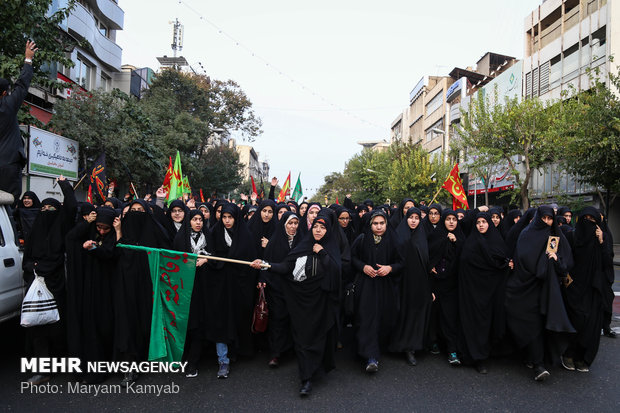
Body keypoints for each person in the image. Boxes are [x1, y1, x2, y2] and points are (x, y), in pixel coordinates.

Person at [252, 211, 341, 396]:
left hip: (321, 302)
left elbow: (335, 271)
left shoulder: (330, 248)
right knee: (302, 339)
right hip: (300, 300)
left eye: (322, 227)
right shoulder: (303, 245)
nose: (318, 230)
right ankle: (306, 378)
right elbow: (286, 266)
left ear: (328, 230)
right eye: (315, 226)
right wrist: (266, 265)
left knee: (318, 337)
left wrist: (322, 252)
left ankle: (315, 369)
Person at [505, 206, 575, 382]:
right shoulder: (526, 235)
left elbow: (566, 263)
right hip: (526, 287)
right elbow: (521, 260)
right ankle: (537, 363)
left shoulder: (555, 237)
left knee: (545, 323)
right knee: (531, 323)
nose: (546, 222)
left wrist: (555, 260)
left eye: (550, 219)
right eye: (543, 218)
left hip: (547, 288)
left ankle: (539, 361)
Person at [22, 176, 76, 384]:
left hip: (56, 286)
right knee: (37, 328)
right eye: (43, 209)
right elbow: (27, 258)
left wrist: (64, 184)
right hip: (35, 287)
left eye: (51, 210)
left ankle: (61, 364)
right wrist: (33, 269)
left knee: (57, 327)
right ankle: (42, 369)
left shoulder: (61, 227)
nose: (46, 213)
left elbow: (70, 206)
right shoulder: (36, 231)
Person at [113, 199, 169, 386]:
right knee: (128, 324)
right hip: (126, 288)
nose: (136, 213)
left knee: (146, 322)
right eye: (133, 210)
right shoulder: (123, 234)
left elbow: (167, 251)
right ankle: (129, 368)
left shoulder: (154, 232)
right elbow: (113, 254)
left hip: (149, 288)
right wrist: (119, 231)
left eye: (141, 210)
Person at [65, 206, 119, 384]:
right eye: (99, 227)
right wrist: (86, 223)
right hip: (89, 290)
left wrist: (96, 247)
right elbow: (70, 238)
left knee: (104, 328)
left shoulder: (114, 236)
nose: (102, 231)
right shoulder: (90, 231)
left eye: (106, 228)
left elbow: (110, 253)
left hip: (108, 292)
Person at [206, 203, 258, 378]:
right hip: (219, 287)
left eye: (230, 217)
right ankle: (223, 359)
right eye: (224, 217)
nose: (227, 221)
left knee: (236, 317)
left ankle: (236, 349)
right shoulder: (214, 233)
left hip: (239, 286)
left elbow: (250, 261)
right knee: (221, 320)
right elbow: (211, 256)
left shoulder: (245, 235)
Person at [458, 212, 512, 374]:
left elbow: (501, 262)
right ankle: (476, 357)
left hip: (492, 293)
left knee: (490, 322)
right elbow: (464, 266)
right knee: (474, 324)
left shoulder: (496, 241)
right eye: (478, 222)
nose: (481, 225)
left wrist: (506, 265)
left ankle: (488, 353)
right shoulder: (471, 243)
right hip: (472, 292)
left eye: (484, 222)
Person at [351, 210, 403, 373]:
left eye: (382, 223)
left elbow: (402, 262)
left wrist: (390, 268)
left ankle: (378, 348)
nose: (379, 227)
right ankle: (370, 356)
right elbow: (353, 258)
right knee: (367, 318)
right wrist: (364, 267)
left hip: (386, 287)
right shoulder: (362, 239)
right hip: (366, 286)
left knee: (384, 318)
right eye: (375, 223)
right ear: (370, 224)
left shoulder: (394, 240)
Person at [563, 207, 610, 371]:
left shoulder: (601, 239)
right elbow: (565, 259)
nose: (588, 222)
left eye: (592, 219)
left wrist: (602, 242)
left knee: (591, 323)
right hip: (575, 288)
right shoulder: (572, 236)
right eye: (586, 218)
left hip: (593, 288)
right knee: (576, 320)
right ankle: (568, 354)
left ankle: (582, 356)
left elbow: (607, 264)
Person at [256, 211, 301, 367]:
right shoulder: (275, 241)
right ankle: (275, 353)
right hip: (277, 287)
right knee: (277, 320)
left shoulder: (302, 241)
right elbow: (266, 261)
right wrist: (262, 279)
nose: (293, 227)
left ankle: (292, 350)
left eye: (296, 223)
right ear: (284, 224)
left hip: (296, 288)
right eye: (290, 223)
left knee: (294, 319)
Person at [389, 207, 432, 366]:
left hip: (419, 283)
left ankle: (412, 348)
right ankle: (401, 345)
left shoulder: (422, 236)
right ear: (405, 218)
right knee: (402, 313)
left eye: (416, 218)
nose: (413, 220)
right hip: (401, 282)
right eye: (410, 217)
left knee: (416, 314)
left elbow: (426, 260)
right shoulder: (399, 235)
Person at [174, 209, 210, 378]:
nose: (198, 222)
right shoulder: (180, 239)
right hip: (184, 288)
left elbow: (218, 257)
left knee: (198, 324)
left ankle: (193, 362)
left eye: (200, 219)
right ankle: (183, 357)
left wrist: (207, 259)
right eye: (195, 219)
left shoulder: (208, 237)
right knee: (186, 324)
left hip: (203, 288)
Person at [0, 41, 37, 202]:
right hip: (8, 166)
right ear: (3, 93)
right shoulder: (7, 105)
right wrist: (28, 59)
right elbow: (22, 85)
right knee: (8, 205)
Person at [427, 210, 465, 364]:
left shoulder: (461, 237)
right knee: (434, 314)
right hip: (435, 282)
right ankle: (433, 341)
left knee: (450, 317)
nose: (451, 222)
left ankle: (452, 350)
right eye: (448, 219)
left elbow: (466, 257)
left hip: (452, 284)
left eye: (454, 219)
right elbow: (427, 255)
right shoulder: (435, 236)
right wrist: (430, 266)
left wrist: (456, 242)